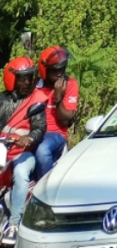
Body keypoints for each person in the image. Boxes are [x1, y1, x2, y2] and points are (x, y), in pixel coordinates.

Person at [0, 57, 46, 246]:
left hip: (23, 153)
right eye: (23, 78)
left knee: (20, 173)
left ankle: (13, 223)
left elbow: (40, 126)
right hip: (3, 149)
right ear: (12, 79)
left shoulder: (36, 100)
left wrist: (29, 138)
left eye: (30, 77)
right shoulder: (2, 100)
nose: (28, 82)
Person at [33, 47, 78, 181]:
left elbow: (66, 121)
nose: (60, 74)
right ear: (45, 70)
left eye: (62, 69)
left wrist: (58, 99)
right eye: (55, 70)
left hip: (55, 134)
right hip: (33, 131)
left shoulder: (69, 84)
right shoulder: (34, 86)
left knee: (42, 151)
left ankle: (46, 188)